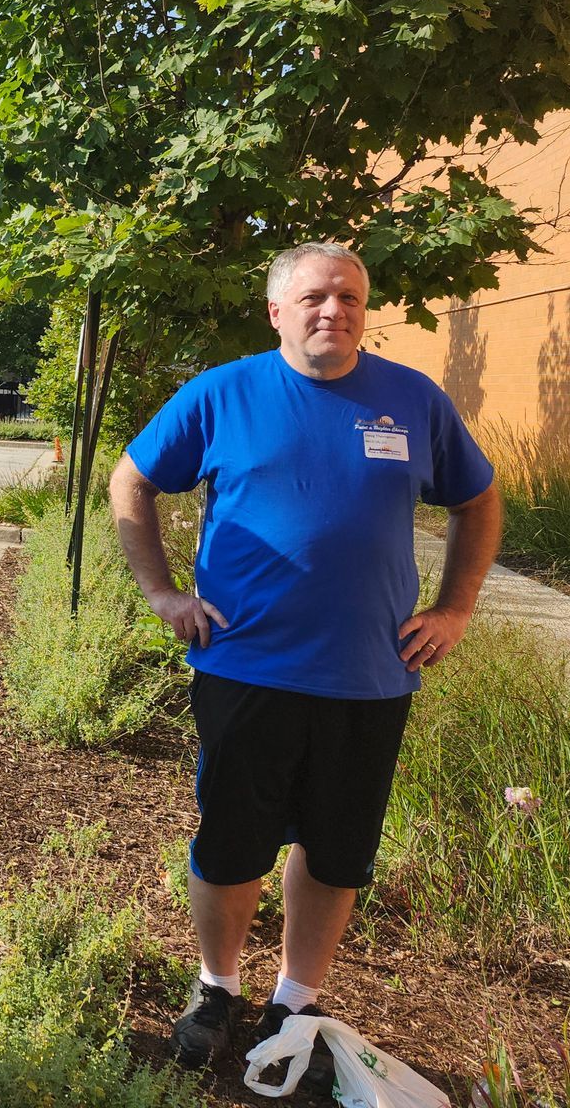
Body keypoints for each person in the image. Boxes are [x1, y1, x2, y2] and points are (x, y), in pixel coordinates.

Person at [109, 242, 501, 1091]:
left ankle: (295, 999)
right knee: (233, 844)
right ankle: (216, 989)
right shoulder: (224, 393)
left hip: (370, 675)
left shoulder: (412, 399)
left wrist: (457, 605)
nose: (336, 311)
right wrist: (163, 593)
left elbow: (477, 498)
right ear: (277, 311)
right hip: (245, 666)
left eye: (351, 298)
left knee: (336, 851)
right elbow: (131, 480)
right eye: (316, 297)